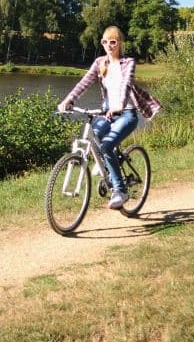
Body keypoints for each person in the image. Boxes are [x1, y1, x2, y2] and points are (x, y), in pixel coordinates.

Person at [57, 26, 141, 210]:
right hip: (107, 112)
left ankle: (120, 190)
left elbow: (126, 85)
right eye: (105, 42)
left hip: (127, 112)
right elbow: (84, 83)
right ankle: (107, 165)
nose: (109, 45)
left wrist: (119, 104)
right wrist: (68, 100)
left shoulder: (128, 63)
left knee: (107, 145)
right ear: (102, 43)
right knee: (94, 137)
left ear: (120, 43)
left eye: (113, 42)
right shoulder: (99, 63)